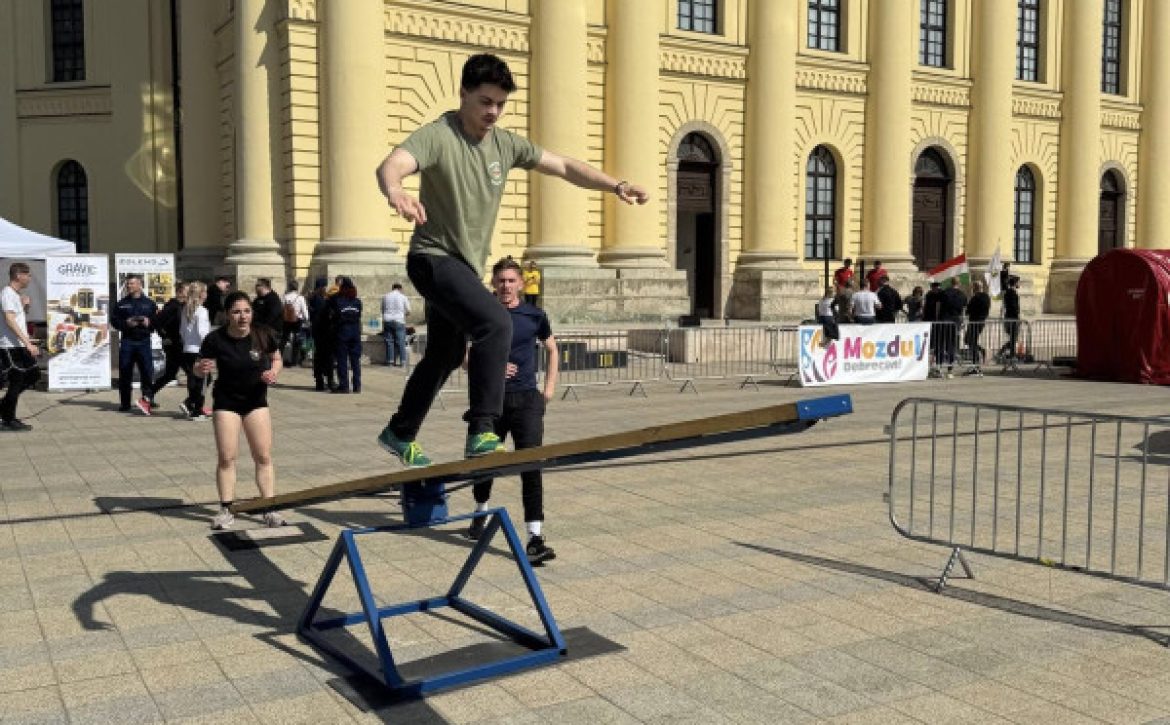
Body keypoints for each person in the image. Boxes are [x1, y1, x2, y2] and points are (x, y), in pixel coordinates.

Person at [374, 52, 649, 466]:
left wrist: (616, 186)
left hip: (463, 267)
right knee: (495, 321)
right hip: (432, 258)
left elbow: (563, 166)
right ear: (464, 93)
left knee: (446, 355)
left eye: (500, 104)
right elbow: (392, 165)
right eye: (485, 101)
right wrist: (395, 190)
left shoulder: (505, 144)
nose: (493, 112)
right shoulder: (439, 135)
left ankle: (399, 431)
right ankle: (483, 427)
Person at [467, 257, 559, 563]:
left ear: (521, 283)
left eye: (510, 280)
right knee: (483, 462)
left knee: (531, 465)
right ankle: (480, 510)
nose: (505, 286)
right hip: (490, 403)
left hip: (527, 401)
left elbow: (552, 349)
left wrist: (547, 391)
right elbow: (464, 358)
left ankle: (535, 536)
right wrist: (489, 365)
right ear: (492, 284)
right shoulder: (482, 315)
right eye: (500, 281)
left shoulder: (534, 315)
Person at [195, 291, 286, 530]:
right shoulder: (215, 339)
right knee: (227, 457)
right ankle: (227, 509)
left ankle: (269, 508)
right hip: (226, 402)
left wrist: (273, 372)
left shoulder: (263, 334)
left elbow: (276, 359)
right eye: (236, 312)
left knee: (263, 456)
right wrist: (201, 368)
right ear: (227, 315)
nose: (242, 316)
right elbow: (197, 368)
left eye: (247, 311)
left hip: (256, 401)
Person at [112, 274, 159, 414]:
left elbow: (156, 322)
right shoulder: (121, 304)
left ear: (140, 285)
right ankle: (125, 404)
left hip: (144, 341)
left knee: (147, 372)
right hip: (128, 342)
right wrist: (126, 323)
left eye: (132, 284)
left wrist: (149, 323)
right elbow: (114, 322)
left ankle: (147, 400)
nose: (129, 286)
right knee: (125, 373)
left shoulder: (150, 303)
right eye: (128, 284)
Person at [0, 263, 39, 431]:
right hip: (10, 346)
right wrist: (27, 343)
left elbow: (16, 317)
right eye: (28, 275)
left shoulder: (15, 295)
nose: (30, 278)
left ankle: (4, 405)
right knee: (17, 381)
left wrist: (24, 307)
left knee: (33, 375)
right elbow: (9, 320)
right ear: (18, 276)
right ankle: (9, 419)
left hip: (20, 344)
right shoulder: (7, 293)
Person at [178, 281, 212, 420]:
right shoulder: (202, 310)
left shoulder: (186, 309)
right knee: (204, 380)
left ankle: (191, 404)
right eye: (205, 291)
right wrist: (210, 347)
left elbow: (181, 331)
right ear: (200, 293)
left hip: (187, 348)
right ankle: (196, 408)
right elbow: (203, 333)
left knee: (194, 378)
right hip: (199, 349)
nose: (206, 294)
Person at [151, 282, 187, 403]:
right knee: (192, 373)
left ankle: (147, 396)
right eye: (188, 291)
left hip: (179, 344)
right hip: (174, 345)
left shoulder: (183, 306)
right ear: (181, 292)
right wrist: (164, 336)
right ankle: (193, 403)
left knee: (170, 374)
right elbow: (156, 320)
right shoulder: (172, 306)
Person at [331, 277, 363, 394]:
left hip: (342, 332)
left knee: (342, 360)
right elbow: (358, 316)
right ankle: (357, 385)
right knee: (355, 361)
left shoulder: (338, 301)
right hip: (355, 332)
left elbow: (333, 316)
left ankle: (344, 386)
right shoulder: (358, 302)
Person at [308, 277, 337, 392]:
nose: (326, 288)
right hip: (324, 333)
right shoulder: (320, 299)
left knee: (319, 358)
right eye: (325, 286)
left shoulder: (313, 298)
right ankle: (329, 380)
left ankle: (320, 381)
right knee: (327, 358)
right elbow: (325, 315)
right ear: (321, 287)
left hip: (317, 332)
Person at [939, 278, 968, 376]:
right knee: (952, 345)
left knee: (941, 344)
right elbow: (963, 310)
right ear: (959, 283)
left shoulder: (944, 292)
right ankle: (950, 370)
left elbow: (938, 306)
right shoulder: (962, 295)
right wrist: (963, 321)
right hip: (955, 322)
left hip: (944, 320)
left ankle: (938, 367)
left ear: (951, 283)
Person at [964, 280, 991, 375]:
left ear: (975, 288)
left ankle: (976, 363)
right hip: (981, 321)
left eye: (973, 287)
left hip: (974, 322)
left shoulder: (975, 298)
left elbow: (968, 310)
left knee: (969, 341)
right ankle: (980, 353)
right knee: (970, 340)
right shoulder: (987, 297)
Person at [381, 282, 411, 367]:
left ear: (393, 288)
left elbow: (382, 310)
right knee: (401, 341)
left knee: (389, 341)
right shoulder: (403, 297)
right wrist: (403, 315)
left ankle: (390, 361)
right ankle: (403, 362)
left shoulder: (385, 296)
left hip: (387, 320)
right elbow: (409, 310)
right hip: (399, 321)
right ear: (400, 289)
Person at [280, 281, 309, 367]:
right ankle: (294, 361)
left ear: (289, 287)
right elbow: (304, 311)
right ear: (297, 288)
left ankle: (279, 357)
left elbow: (282, 308)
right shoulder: (300, 298)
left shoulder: (285, 297)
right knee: (297, 340)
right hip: (297, 321)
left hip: (286, 321)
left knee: (284, 339)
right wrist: (307, 319)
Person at [997, 275, 1022, 363]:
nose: (1019, 284)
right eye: (1018, 282)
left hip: (1009, 317)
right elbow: (1013, 307)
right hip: (1012, 318)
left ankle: (1009, 353)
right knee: (1013, 338)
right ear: (1015, 283)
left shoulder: (1008, 292)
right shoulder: (1012, 293)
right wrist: (1018, 318)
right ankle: (1009, 354)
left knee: (1013, 338)